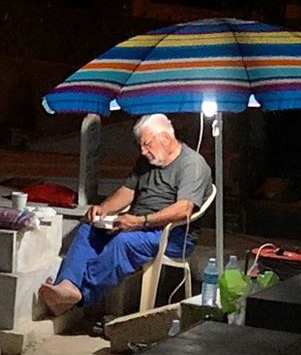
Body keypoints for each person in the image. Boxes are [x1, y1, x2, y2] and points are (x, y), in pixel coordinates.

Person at [38, 113, 213, 316]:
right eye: (140, 145)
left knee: (123, 242)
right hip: (138, 223)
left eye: (147, 144)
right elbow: (128, 191)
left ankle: (80, 293)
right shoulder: (146, 160)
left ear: (165, 138)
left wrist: (140, 222)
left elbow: (184, 209)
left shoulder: (192, 165)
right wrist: (104, 209)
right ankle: (67, 285)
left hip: (172, 234)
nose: (143, 150)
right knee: (89, 226)